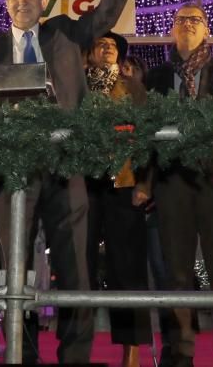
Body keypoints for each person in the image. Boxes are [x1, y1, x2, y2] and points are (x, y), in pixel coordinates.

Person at [0, 0, 135, 363]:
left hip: (65, 162)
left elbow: (102, 17)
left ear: (44, 2)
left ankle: (74, 357)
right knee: (13, 271)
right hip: (10, 167)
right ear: (6, 3)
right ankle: (21, 354)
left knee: (75, 266)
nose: (22, 2)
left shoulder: (62, 33)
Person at [143, 3, 213, 367]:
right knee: (177, 273)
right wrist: (145, 181)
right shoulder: (155, 77)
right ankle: (180, 351)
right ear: (172, 29)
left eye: (195, 20)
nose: (187, 25)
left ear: (206, 30)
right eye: (180, 20)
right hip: (171, 183)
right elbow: (145, 133)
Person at [83, 32, 151, 367]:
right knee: (80, 269)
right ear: (90, 55)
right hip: (81, 186)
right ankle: (78, 348)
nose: (107, 48)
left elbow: (150, 138)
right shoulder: (75, 88)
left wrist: (145, 183)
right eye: (100, 45)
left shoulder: (134, 88)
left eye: (112, 45)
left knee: (128, 268)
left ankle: (132, 354)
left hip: (124, 186)